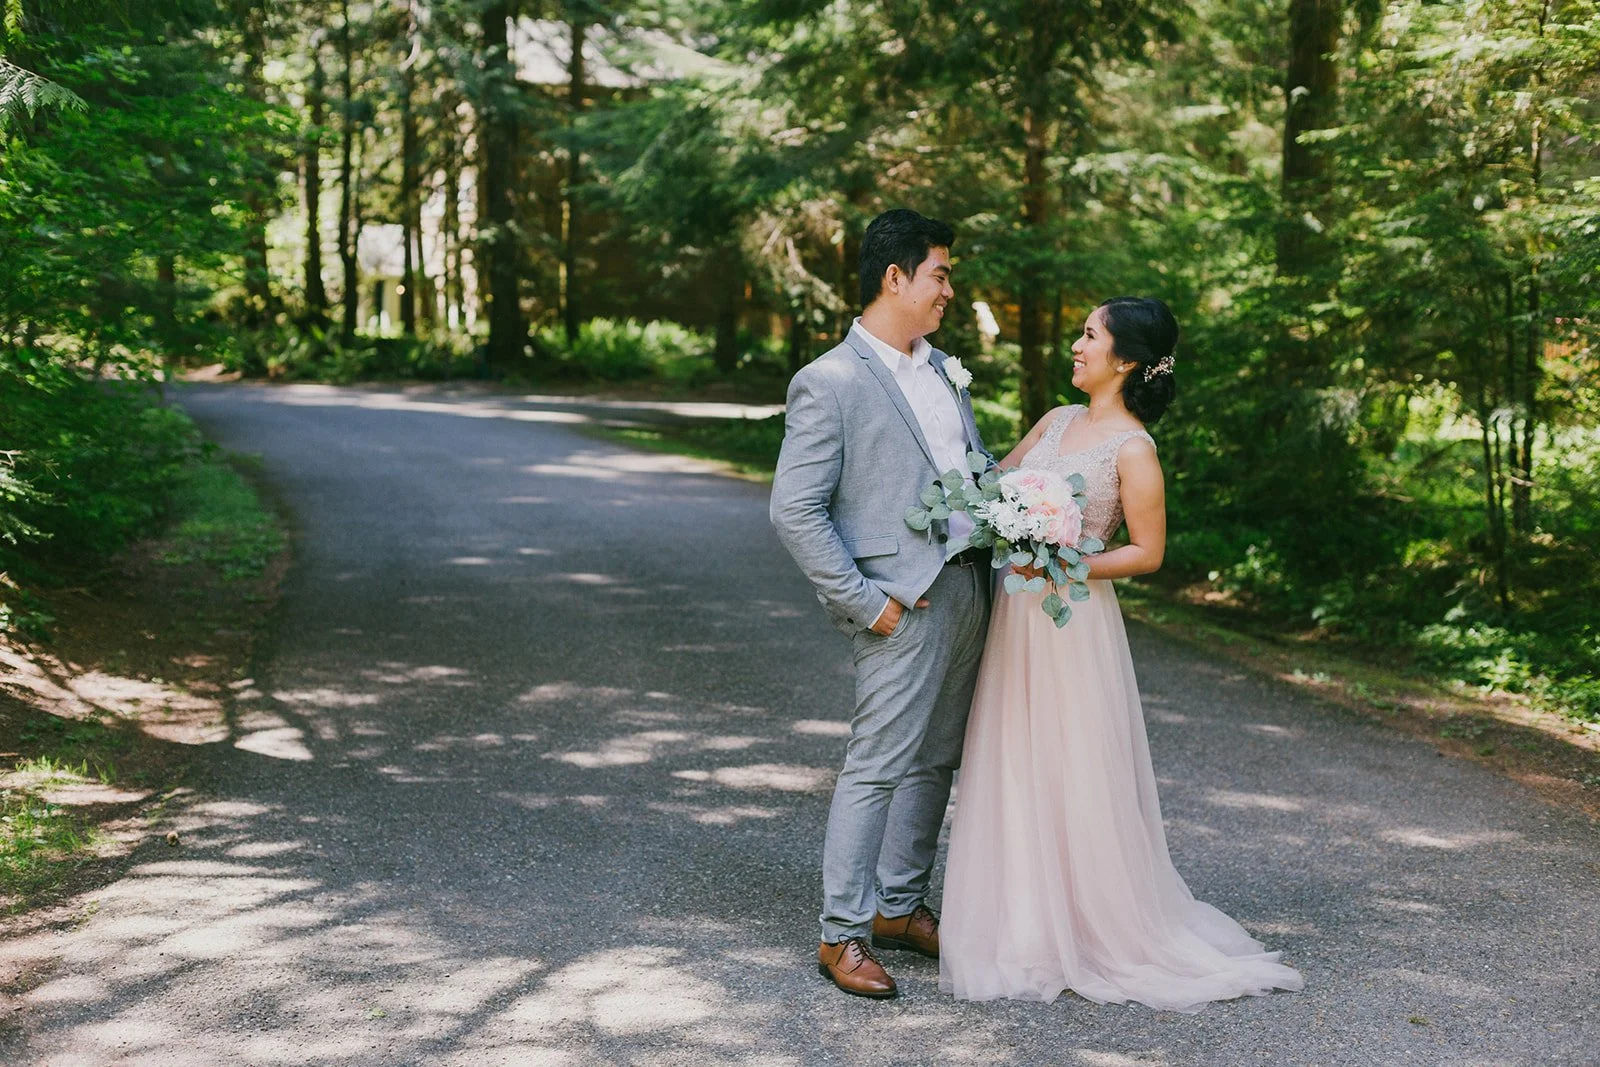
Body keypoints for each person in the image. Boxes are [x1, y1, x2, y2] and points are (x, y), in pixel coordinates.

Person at [939, 297, 1305, 1011]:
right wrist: (1001, 521)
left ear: (1127, 360)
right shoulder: (1055, 420)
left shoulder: (1134, 450)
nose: (1076, 346)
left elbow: (1148, 552)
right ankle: (1020, 922)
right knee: (1013, 753)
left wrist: (1063, 560)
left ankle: (1090, 926)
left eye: (1089, 336)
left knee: (1071, 761)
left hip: (1072, 619)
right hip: (1018, 614)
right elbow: (992, 488)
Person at [770, 208, 993, 999]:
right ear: (895, 277)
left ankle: (898, 905)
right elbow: (794, 509)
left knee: (937, 759)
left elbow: (970, 466)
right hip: (902, 605)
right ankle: (842, 933)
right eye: (941, 274)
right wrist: (867, 604)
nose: (949, 290)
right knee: (876, 765)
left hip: (971, 587)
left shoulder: (944, 370)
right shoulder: (829, 380)